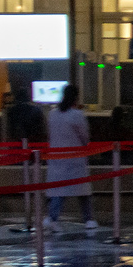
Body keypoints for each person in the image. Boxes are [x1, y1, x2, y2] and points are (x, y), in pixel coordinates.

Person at [44, 84, 95, 229]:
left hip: (56, 157)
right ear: (76, 97)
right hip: (75, 158)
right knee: (83, 191)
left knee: (58, 190)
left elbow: (50, 134)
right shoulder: (77, 115)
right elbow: (85, 137)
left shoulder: (53, 114)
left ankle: (52, 218)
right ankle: (88, 219)